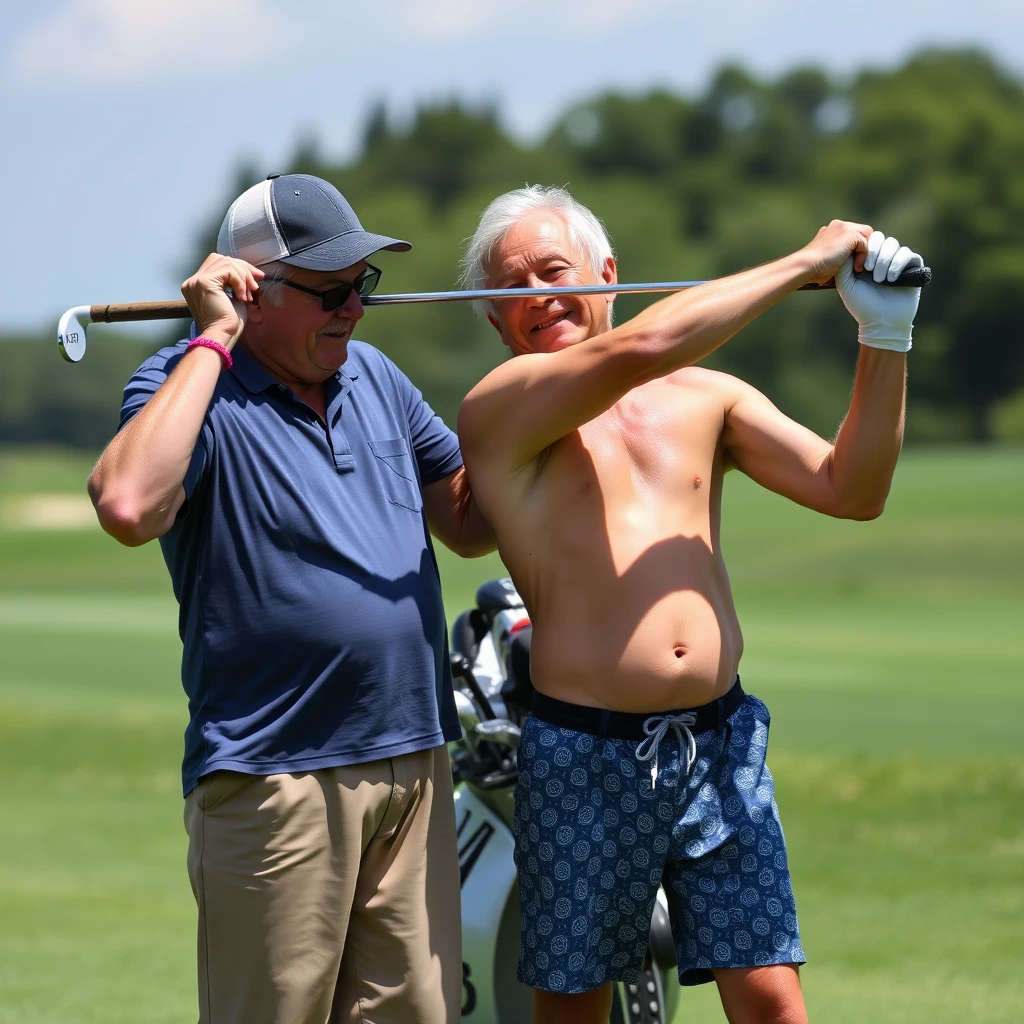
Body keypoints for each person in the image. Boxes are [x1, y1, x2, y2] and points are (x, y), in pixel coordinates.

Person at [456, 185, 923, 1023]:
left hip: (721, 741)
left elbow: (853, 489)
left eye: (554, 271)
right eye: (512, 291)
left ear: (609, 273)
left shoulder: (707, 399)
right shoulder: (502, 412)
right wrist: (802, 265)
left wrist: (883, 333)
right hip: (582, 757)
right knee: (573, 1012)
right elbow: (644, 347)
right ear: (494, 322)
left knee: (775, 1002)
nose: (538, 298)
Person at [88, 173, 493, 1024]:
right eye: (328, 290)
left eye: (361, 287)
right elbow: (129, 506)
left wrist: (559, 381)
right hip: (278, 773)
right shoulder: (181, 382)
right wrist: (211, 342)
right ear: (249, 288)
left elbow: (467, 520)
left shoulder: (375, 376)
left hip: (413, 761)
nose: (352, 308)